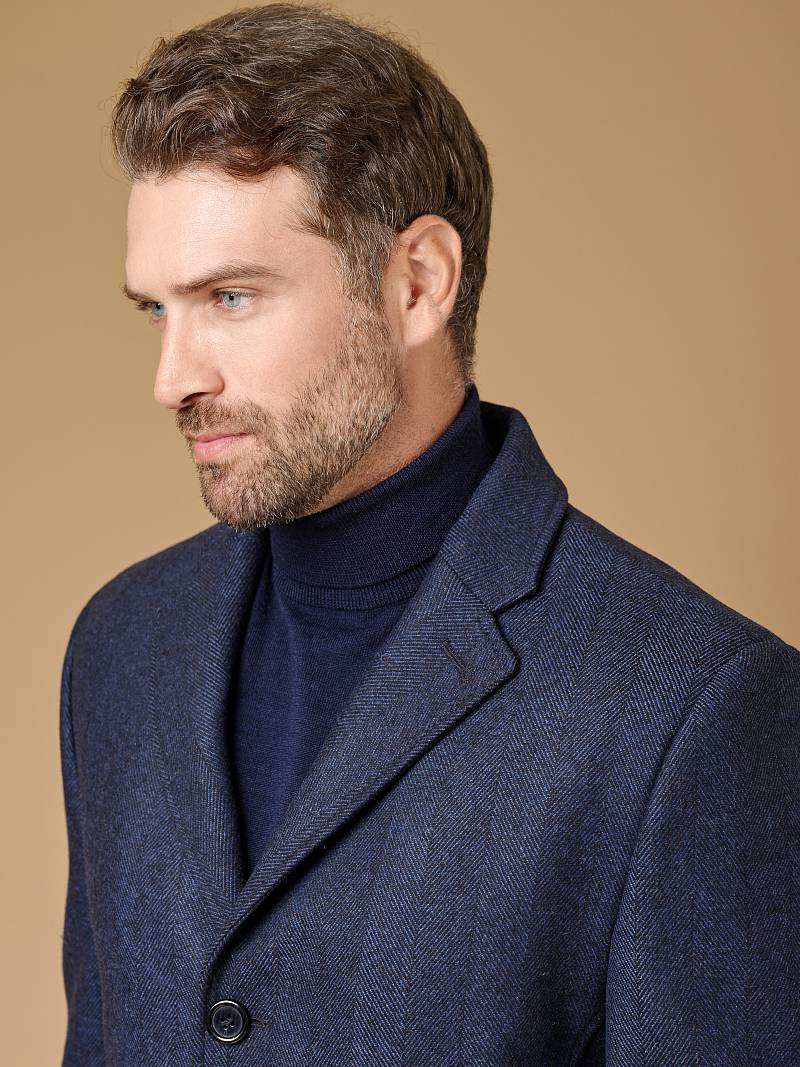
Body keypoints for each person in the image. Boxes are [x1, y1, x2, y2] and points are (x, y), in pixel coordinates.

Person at [59, 4, 799, 1065]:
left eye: (230, 296)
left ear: (418, 282)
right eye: (156, 310)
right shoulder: (121, 644)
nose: (173, 377)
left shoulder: (695, 706)